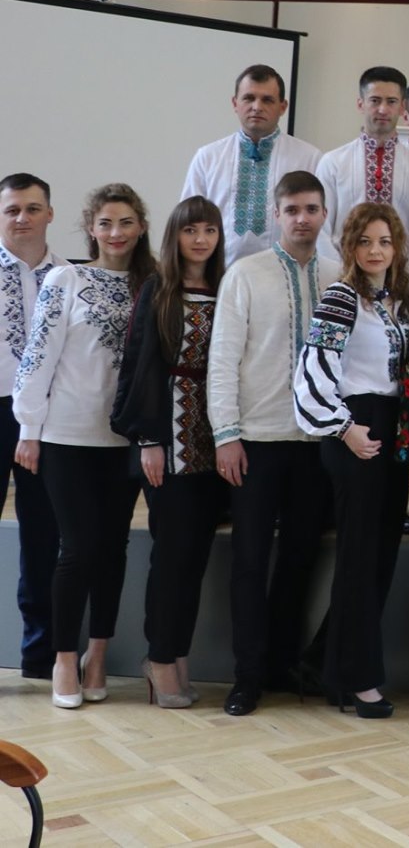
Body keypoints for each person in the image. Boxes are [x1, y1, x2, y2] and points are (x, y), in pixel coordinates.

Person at [11, 182, 153, 709]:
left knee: (113, 549)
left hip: (124, 440)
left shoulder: (153, 284)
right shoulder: (65, 279)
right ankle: (64, 658)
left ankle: (98, 655)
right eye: (106, 223)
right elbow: (37, 356)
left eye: (126, 222)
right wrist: (29, 429)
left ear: (141, 228)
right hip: (66, 436)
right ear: (91, 228)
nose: (116, 232)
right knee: (76, 549)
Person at [207, 171, 333, 717]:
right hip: (256, 441)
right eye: (292, 209)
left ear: (324, 214)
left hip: (316, 443)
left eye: (312, 209)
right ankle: (248, 676)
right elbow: (222, 360)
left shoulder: (339, 276)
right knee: (250, 561)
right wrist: (226, 435)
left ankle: (283, 664)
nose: (302, 218)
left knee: (300, 558)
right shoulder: (246, 273)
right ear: (276, 215)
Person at [293, 203, 409, 719]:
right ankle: (357, 679)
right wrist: (344, 428)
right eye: (365, 241)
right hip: (355, 427)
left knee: (380, 556)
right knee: (360, 557)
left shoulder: (397, 301)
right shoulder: (342, 298)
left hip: (389, 428)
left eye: (384, 241)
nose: (375, 251)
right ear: (349, 247)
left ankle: (323, 663)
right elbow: (313, 370)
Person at [111, 196, 226, 709]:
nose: (200, 240)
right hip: (169, 440)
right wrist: (149, 440)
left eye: (209, 230)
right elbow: (141, 365)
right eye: (190, 230)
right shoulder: (159, 289)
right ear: (174, 235)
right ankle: (158, 657)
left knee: (196, 556)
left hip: (215, 438)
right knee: (172, 554)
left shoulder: (226, 287)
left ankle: (178, 652)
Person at [0, 172, 60, 683]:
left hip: (46, 418)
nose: (22, 218)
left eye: (32, 208)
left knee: (43, 535)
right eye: (12, 209)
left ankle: (40, 659)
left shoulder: (70, 276)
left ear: (50, 214)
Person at [182, 65, 322, 267]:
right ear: (235, 103)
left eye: (267, 100)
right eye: (249, 98)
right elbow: (188, 223)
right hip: (219, 275)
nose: (257, 107)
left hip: (286, 274)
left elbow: (320, 226)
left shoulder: (309, 158)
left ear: (283, 107)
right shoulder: (208, 158)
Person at [318, 66, 409, 281]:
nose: (382, 109)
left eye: (391, 101)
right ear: (360, 104)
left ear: (402, 107)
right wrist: (344, 279)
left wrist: (402, 282)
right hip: (342, 280)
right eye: (375, 100)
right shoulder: (332, 163)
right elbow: (320, 229)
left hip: (401, 286)